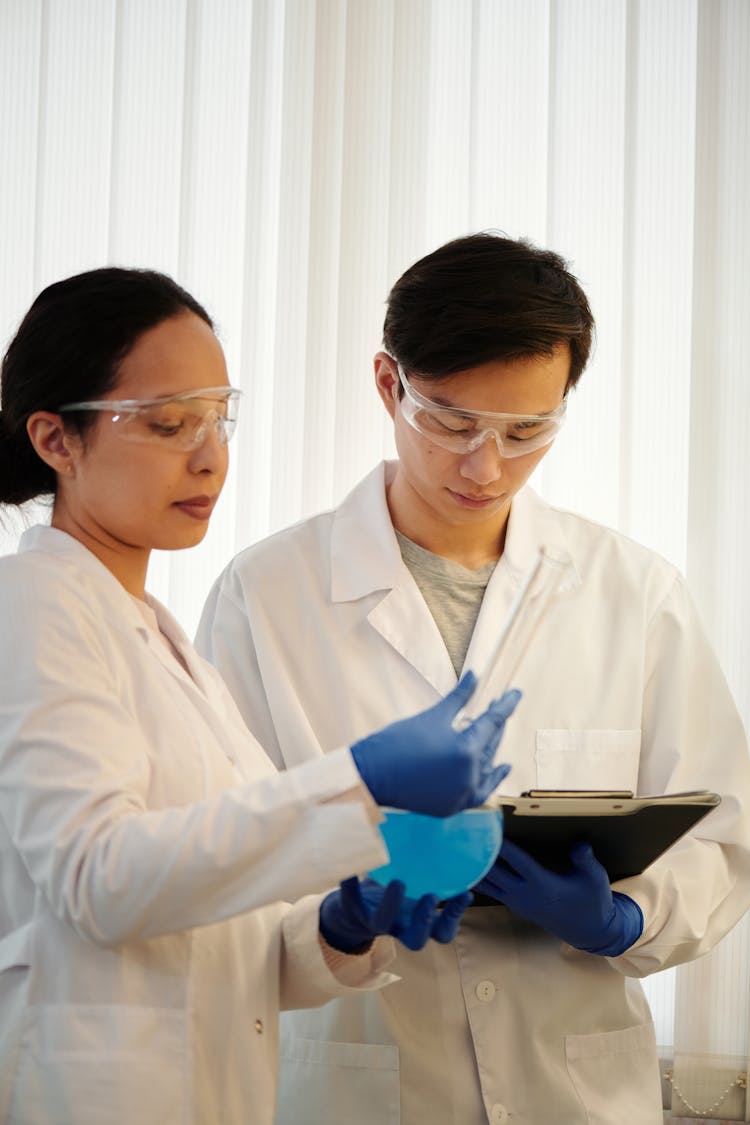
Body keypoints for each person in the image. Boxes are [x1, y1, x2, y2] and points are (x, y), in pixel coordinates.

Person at [197, 232, 750, 1125]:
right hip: (358, 1078)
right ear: (389, 384)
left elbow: (723, 832)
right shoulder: (265, 597)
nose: (485, 465)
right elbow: (214, 853)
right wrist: (341, 912)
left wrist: (627, 918)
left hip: (575, 1088)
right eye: (452, 422)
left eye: (527, 431)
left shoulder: (634, 594)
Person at [0, 266, 522, 1125]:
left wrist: (339, 926)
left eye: (218, 419)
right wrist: (363, 778)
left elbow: (225, 943)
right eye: (169, 423)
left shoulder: (160, 639)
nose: (210, 456)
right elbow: (98, 878)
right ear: (57, 439)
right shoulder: (35, 603)